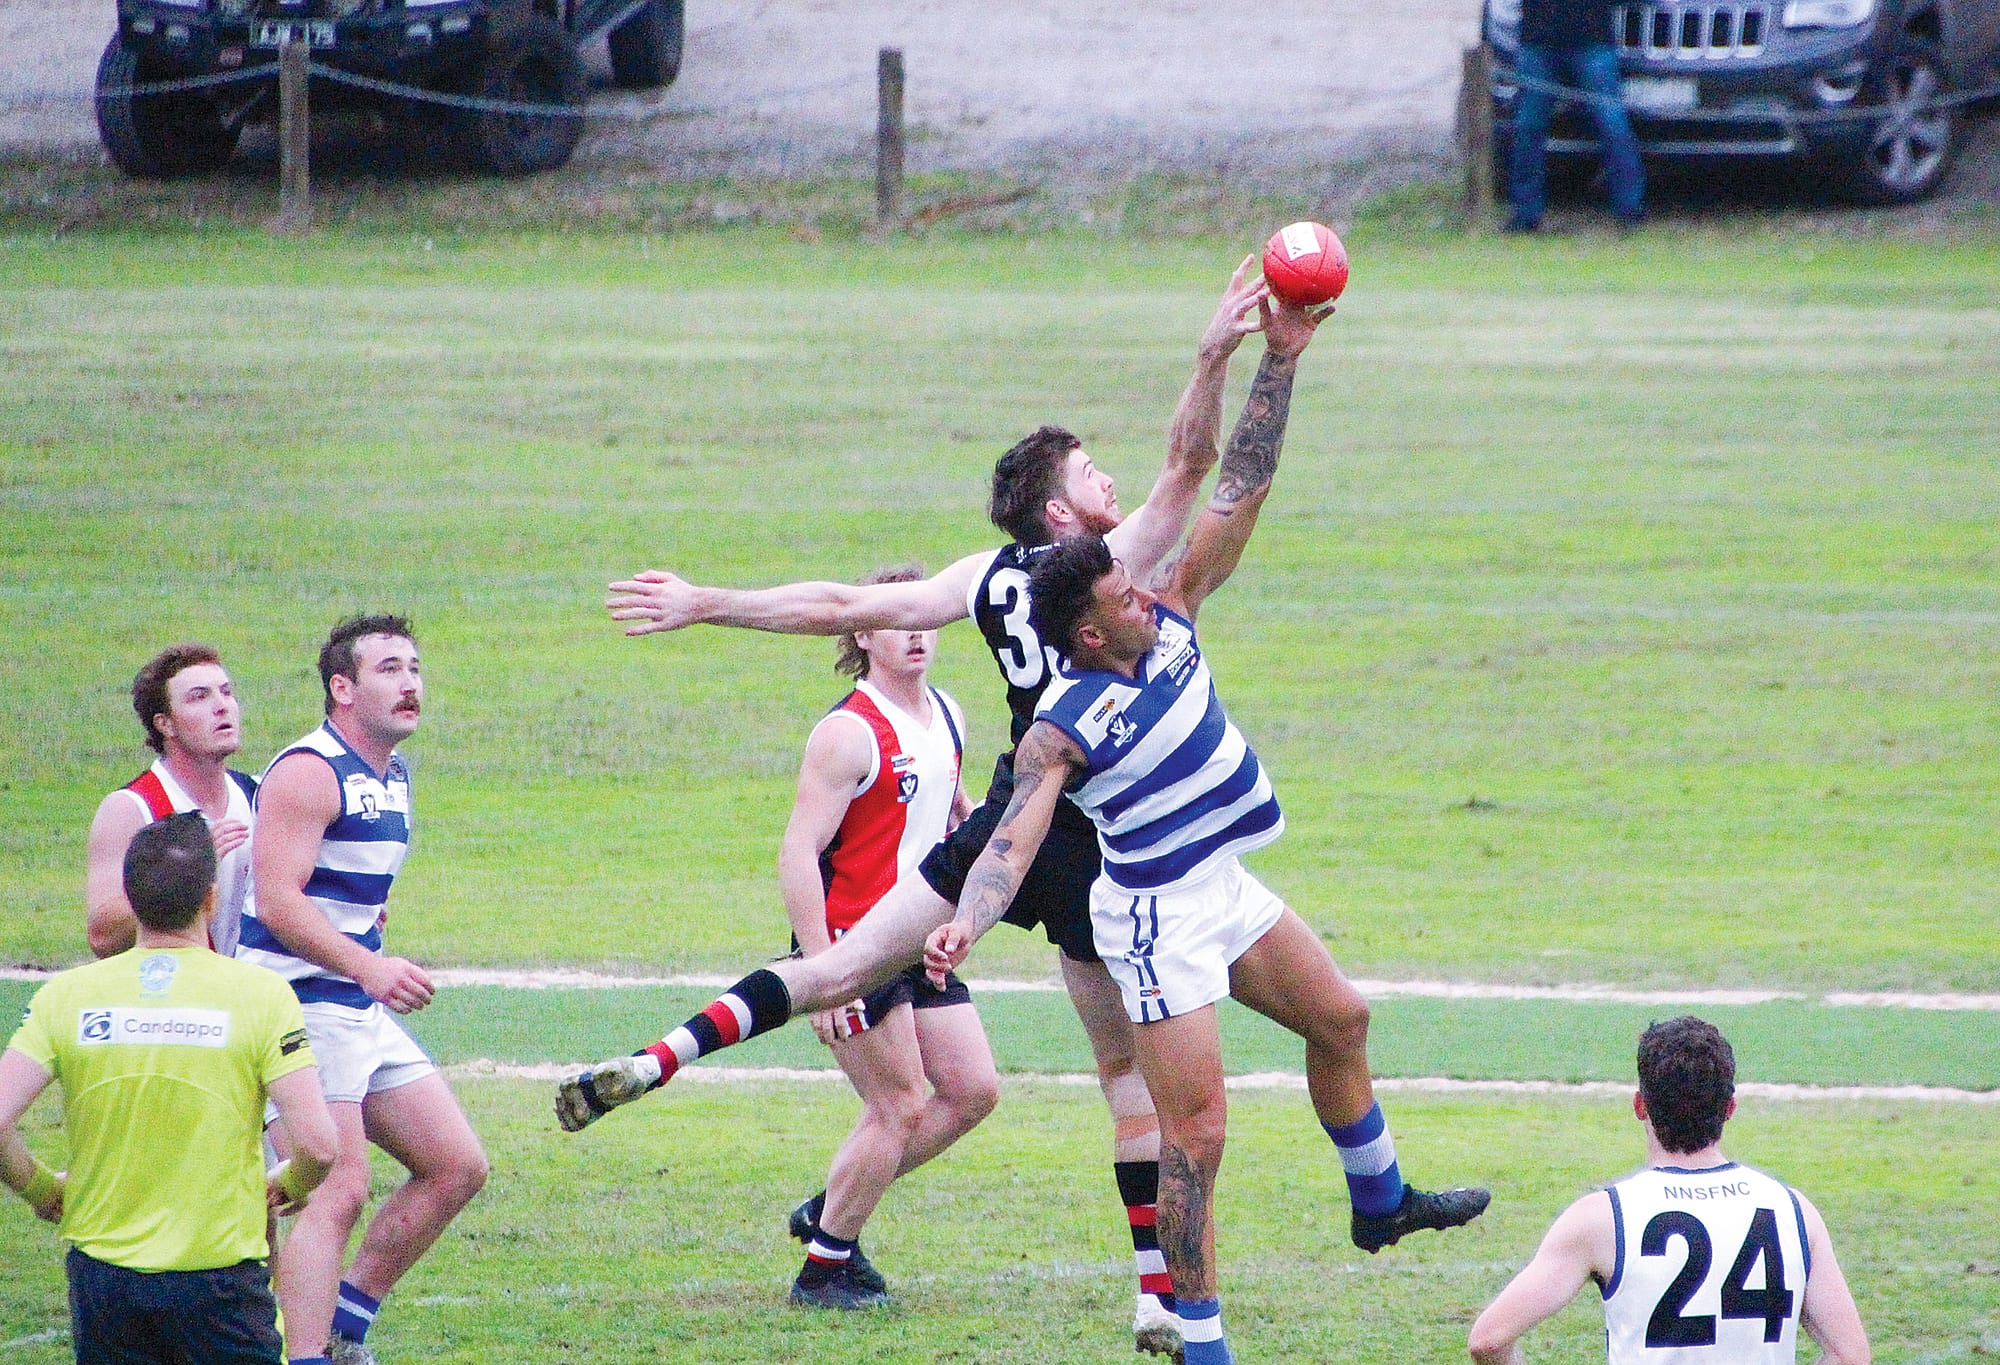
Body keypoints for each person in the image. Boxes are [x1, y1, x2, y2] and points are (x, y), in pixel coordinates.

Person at [559, 260, 1279, 1357]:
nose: (1109, 477)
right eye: (1091, 469)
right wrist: (1213, 352)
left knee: (842, 968)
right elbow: (1196, 462)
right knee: (1130, 1079)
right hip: (1098, 828)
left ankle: (659, 1059)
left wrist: (707, 603)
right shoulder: (1113, 567)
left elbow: (841, 605)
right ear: (1061, 507)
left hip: (1003, 814)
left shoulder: (985, 579)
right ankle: (1159, 1304)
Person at [921, 530, 1490, 1365]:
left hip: (1221, 884)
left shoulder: (1172, 619)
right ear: (1089, 635)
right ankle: (1204, 1346)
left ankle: (1381, 1200)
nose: (1142, 597)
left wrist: (1264, 388)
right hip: (1158, 921)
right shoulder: (1065, 724)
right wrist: (968, 921)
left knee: (1342, 1019)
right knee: (1198, 1137)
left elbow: (1236, 491)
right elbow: (1010, 840)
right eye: (1122, 597)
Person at [237, 614, 488, 1365]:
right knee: (336, 1190)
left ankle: (341, 1326)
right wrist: (368, 965)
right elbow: (278, 900)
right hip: (299, 1003)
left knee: (456, 1165)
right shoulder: (308, 769)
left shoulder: (391, 774)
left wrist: (368, 962)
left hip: (354, 1005)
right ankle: (306, 1354)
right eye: (388, 668)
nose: (409, 682)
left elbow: (349, 894)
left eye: (414, 667)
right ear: (341, 688)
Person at [0, 812, 339, 1365]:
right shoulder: (259, 995)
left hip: (105, 1280)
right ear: (211, 900)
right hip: (220, 1280)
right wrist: (284, 1185)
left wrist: (40, 1189)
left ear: (130, 901)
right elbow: (321, 1146)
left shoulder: (68, 996)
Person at [778, 564, 999, 1310]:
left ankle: (831, 1209)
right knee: (900, 1101)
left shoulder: (950, 714)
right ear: (862, 634)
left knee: (972, 1091)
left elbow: (957, 817)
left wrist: (964, 914)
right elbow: (798, 853)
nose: (916, 631)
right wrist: (821, 971)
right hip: (854, 941)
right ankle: (823, 1270)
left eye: (925, 617)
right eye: (896, 619)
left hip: (919, 939)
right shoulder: (847, 732)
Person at [1469, 1016, 1869, 1365]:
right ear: (1730, 1108)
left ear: (1640, 1105)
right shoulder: (1794, 1212)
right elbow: (1850, 1355)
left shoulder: (1603, 1218)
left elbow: (1489, 1340)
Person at [85, 643, 259, 959]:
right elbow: (102, 936)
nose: (221, 706)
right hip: (171, 998)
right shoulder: (132, 807)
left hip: (246, 995)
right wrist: (185, 872)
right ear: (165, 723)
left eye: (226, 692)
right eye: (199, 697)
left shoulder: (257, 796)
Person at [1504, 0, 1645, 233]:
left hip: (1592, 40)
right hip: (1539, 41)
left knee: (1613, 126)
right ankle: (1524, 213)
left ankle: (1630, 209)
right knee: (1528, 127)